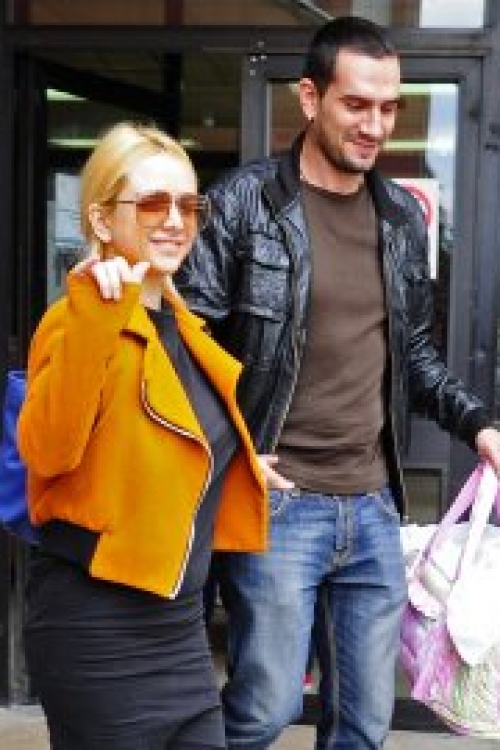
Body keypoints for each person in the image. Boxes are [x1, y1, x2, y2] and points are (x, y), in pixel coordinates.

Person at [176, 16, 500, 750]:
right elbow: (187, 345)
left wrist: (479, 425)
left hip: (374, 507)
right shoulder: (246, 203)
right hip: (278, 506)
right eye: (356, 104)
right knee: (263, 710)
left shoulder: (400, 218)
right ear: (310, 97)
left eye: (388, 107)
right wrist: (232, 450)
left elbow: (415, 355)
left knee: (363, 721)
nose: (375, 125)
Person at [17, 121, 271, 750]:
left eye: (189, 205)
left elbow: (156, 441)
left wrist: (236, 464)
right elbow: (47, 450)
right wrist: (94, 317)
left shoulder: (183, 327)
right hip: (97, 625)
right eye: (154, 203)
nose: (175, 221)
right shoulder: (76, 319)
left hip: (179, 624)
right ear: (102, 220)